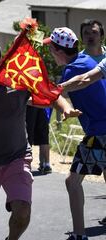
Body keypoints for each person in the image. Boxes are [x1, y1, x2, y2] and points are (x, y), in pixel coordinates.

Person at [0, 39, 81, 240]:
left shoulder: (17, 81)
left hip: (16, 157)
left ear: (1, 61)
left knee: (22, 212)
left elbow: (49, 91)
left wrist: (66, 109)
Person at [50, 28, 106, 236]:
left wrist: (31, 96)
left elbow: (58, 92)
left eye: (51, 49)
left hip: (100, 132)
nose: (50, 54)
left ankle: (79, 234)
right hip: (101, 129)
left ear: (58, 51)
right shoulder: (83, 61)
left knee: (72, 182)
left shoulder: (73, 69)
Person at [26, 106, 52, 174]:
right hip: (41, 104)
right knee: (43, 137)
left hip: (29, 104)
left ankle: (27, 164)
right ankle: (46, 164)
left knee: (28, 135)